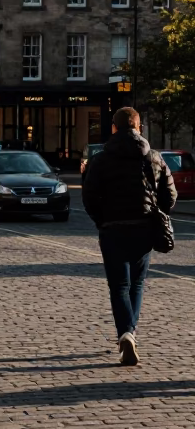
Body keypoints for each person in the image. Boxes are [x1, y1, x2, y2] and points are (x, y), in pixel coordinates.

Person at [82, 106, 176, 366]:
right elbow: (171, 195)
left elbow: (89, 197)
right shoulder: (153, 157)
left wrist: (102, 220)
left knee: (119, 286)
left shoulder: (100, 159)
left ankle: (125, 333)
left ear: (114, 127)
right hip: (143, 228)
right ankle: (129, 333)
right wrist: (156, 212)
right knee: (136, 284)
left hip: (112, 229)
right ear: (139, 127)